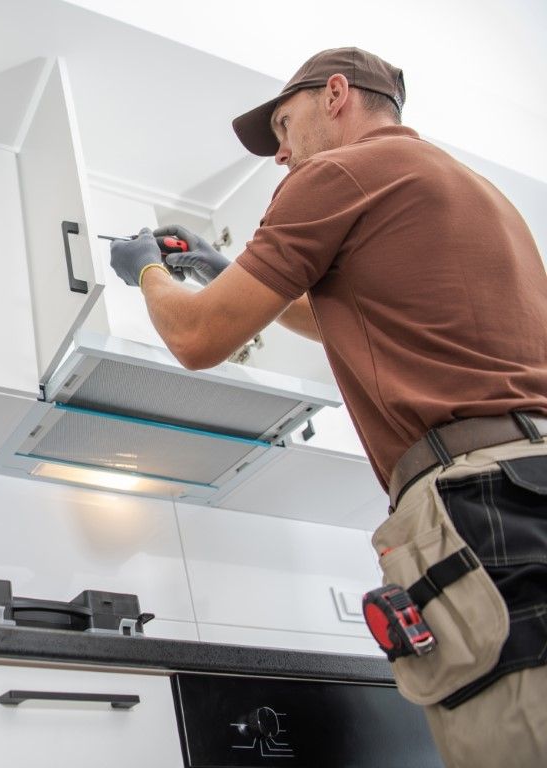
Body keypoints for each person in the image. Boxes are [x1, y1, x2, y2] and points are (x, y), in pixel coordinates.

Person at [110, 47, 547, 767]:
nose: (282, 154)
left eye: (284, 125)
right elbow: (358, 315)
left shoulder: (336, 173)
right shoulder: (474, 190)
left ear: (336, 94)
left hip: (480, 505)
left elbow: (195, 337)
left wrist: (148, 272)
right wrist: (234, 276)